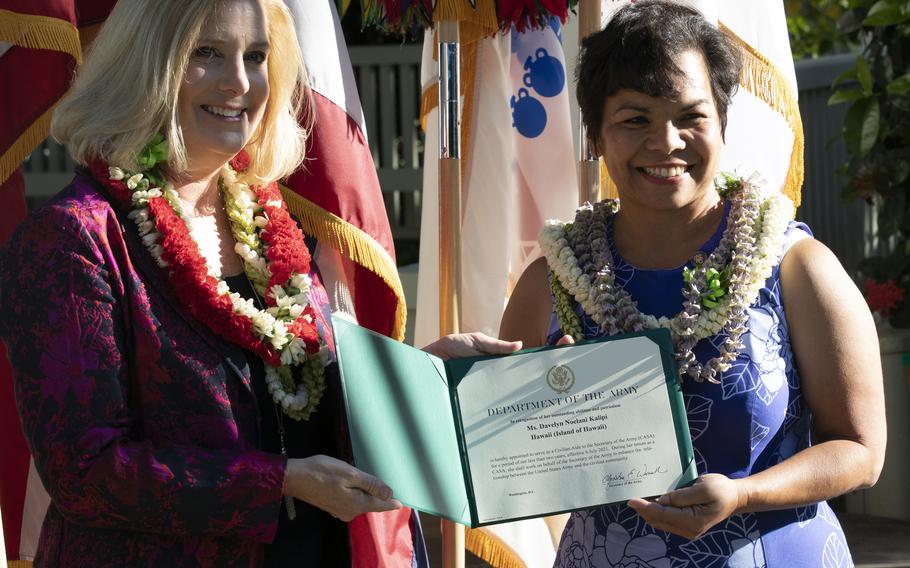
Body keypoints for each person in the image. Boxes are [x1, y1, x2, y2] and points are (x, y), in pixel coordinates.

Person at [0, 0, 520, 565]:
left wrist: (427, 377)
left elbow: (305, 404)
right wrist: (280, 483)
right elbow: (86, 471)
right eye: (206, 53)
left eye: (255, 56)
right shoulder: (71, 238)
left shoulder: (271, 221)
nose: (239, 82)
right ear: (146, 63)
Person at [501, 2, 886, 566]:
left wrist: (744, 494)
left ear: (723, 123)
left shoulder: (796, 265)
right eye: (635, 119)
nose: (666, 142)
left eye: (690, 116)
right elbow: (508, 455)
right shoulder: (554, 278)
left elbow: (861, 450)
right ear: (596, 136)